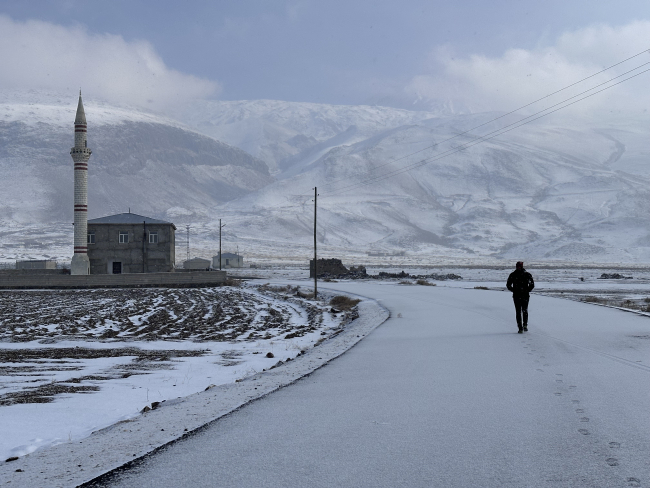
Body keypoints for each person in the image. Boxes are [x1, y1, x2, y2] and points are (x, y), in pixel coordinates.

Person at [506, 261, 535, 333]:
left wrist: (526, 290)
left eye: (520, 266)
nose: (519, 267)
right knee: (519, 311)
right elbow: (508, 285)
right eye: (518, 266)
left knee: (523, 310)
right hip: (518, 295)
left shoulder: (526, 274)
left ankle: (524, 326)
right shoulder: (514, 275)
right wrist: (514, 290)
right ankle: (520, 327)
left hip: (523, 295)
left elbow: (532, 285)